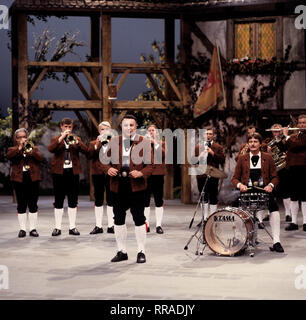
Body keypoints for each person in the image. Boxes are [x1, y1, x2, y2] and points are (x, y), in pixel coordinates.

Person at [102, 114, 153, 263]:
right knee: (118, 218)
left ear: (135, 127)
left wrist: (141, 173)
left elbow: (151, 166)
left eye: (131, 125)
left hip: (136, 186)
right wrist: (107, 169)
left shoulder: (144, 142)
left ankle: (141, 251)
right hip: (117, 186)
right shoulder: (114, 142)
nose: (128, 128)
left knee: (139, 218)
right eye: (125, 125)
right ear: (121, 127)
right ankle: (121, 251)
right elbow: (103, 162)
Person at [232, 133, 284, 252]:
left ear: (260, 144)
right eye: (250, 142)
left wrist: (270, 185)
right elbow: (234, 178)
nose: (253, 144)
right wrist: (240, 185)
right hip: (247, 190)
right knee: (235, 208)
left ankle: (276, 241)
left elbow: (275, 177)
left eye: (255, 141)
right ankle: (239, 239)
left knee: (274, 208)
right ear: (247, 144)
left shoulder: (268, 157)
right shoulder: (242, 158)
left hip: (264, 190)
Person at [48, 118, 88, 236]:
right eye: (65, 127)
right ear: (61, 126)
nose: (67, 129)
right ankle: (57, 227)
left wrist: (77, 143)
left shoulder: (76, 139)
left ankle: (72, 227)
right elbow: (51, 149)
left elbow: (86, 151)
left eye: (69, 127)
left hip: (72, 172)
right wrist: (61, 138)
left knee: (73, 200)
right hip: (59, 173)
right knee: (58, 200)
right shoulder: (56, 139)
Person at [6, 128, 44, 238]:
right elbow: (9, 157)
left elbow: (40, 159)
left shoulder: (34, 148)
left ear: (27, 137)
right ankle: (22, 229)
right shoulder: (12, 149)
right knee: (21, 204)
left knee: (33, 204)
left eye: (24, 136)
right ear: (16, 139)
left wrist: (31, 151)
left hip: (32, 178)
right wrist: (20, 148)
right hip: (19, 179)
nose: (22, 139)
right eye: (20, 137)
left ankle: (33, 229)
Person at [88, 121, 114, 234]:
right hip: (97, 173)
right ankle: (98, 226)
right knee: (98, 198)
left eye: (107, 129)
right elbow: (89, 155)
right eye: (102, 129)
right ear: (99, 131)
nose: (104, 131)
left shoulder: (115, 142)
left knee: (111, 198)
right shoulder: (93, 142)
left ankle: (111, 225)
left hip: (110, 172)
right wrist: (97, 143)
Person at [195, 127, 225, 221]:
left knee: (213, 196)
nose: (208, 135)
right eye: (206, 134)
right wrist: (200, 156)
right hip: (201, 174)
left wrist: (212, 153)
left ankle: (212, 218)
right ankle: (204, 219)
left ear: (213, 135)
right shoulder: (198, 147)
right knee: (203, 195)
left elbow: (222, 160)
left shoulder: (218, 147)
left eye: (210, 134)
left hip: (213, 174)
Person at [284, 114, 306, 231]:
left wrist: (286, 136)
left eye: (304, 123)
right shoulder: (294, 136)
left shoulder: (296, 138)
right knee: (293, 196)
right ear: (297, 125)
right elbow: (285, 146)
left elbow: (297, 145)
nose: (302, 125)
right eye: (300, 123)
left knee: (304, 197)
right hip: (292, 169)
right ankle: (294, 222)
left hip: (303, 168)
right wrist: (284, 137)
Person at [265, 123, 291, 222]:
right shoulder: (269, 143)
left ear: (281, 131)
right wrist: (269, 154)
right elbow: (269, 158)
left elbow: (287, 151)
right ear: (271, 132)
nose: (276, 133)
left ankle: (288, 214)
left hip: (284, 168)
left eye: (278, 131)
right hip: (273, 169)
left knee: (285, 192)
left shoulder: (286, 140)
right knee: (271, 192)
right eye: (274, 131)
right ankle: (270, 212)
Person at [144, 124, 166, 234]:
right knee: (145, 200)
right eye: (149, 130)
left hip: (158, 174)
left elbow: (163, 155)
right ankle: (146, 224)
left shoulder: (162, 144)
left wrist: (154, 143)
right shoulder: (142, 144)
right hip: (146, 175)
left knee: (158, 200)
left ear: (157, 133)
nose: (151, 132)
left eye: (153, 130)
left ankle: (158, 225)